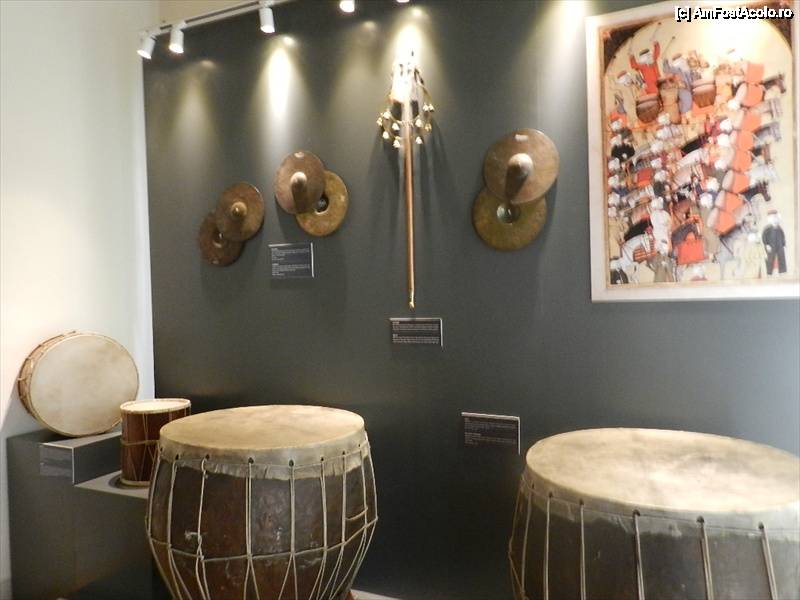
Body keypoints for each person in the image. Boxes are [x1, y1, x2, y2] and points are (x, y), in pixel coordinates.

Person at [761, 210, 786, 274]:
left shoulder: (779, 228)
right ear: (769, 219)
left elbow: (782, 236)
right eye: (773, 218)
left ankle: (782, 271)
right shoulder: (767, 228)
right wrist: (766, 245)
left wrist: (784, 244)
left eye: (776, 217)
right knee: (770, 258)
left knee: (781, 257)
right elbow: (764, 236)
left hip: (779, 245)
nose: (775, 219)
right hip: (771, 245)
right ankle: (769, 272)